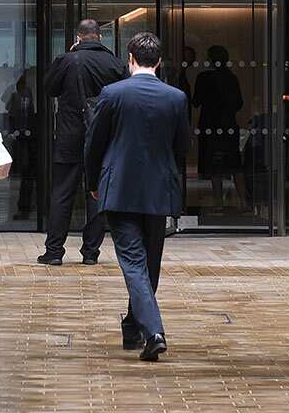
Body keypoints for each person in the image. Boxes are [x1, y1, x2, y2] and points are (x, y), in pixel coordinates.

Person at [85, 32, 190, 362]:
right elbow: (182, 148)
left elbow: (95, 144)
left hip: (119, 190)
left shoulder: (113, 94)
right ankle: (135, 326)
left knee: (134, 263)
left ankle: (152, 330)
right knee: (150, 263)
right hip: (158, 191)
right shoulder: (176, 98)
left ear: (130, 58)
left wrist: (92, 182)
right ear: (158, 61)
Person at [37, 18, 127, 266]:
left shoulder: (67, 60)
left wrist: (69, 56)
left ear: (78, 37)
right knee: (97, 195)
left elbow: (49, 88)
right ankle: (90, 252)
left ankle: (54, 252)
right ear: (99, 37)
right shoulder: (114, 63)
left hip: (69, 136)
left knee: (62, 194)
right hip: (103, 138)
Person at [192, 45, 247, 210]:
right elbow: (239, 103)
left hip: (210, 125)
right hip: (228, 125)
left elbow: (196, 101)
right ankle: (243, 201)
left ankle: (218, 203)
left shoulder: (203, 78)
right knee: (234, 164)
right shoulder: (232, 78)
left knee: (214, 165)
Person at [5, 74, 37, 218]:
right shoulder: (15, 96)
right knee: (23, 171)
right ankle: (24, 206)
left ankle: (27, 206)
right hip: (19, 137)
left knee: (27, 172)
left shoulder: (30, 95)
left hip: (30, 138)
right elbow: (8, 110)